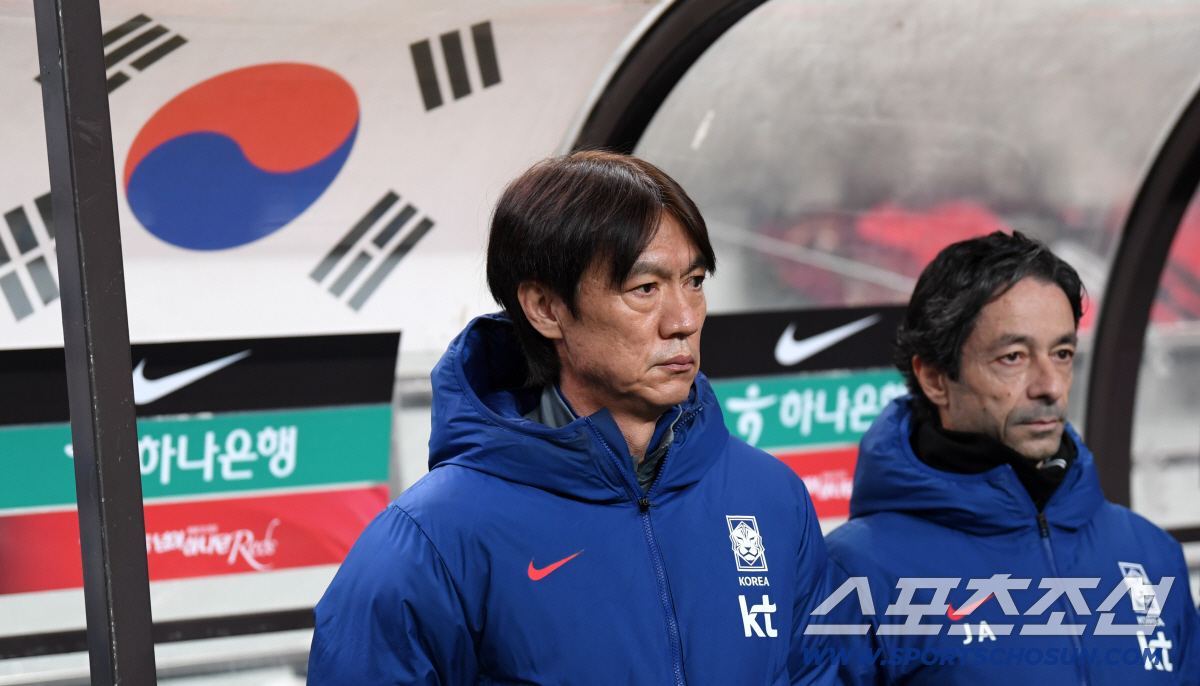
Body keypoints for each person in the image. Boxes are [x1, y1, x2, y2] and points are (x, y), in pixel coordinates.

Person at [307, 151, 835, 685]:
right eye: (644, 289)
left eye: (694, 281)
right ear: (545, 308)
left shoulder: (771, 498)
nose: (683, 320)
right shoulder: (431, 542)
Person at [817, 231, 1200, 684]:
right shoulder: (856, 572)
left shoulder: (1149, 553)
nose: (1050, 386)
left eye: (1062, 354)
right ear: (935, 378)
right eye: (1013, 357)